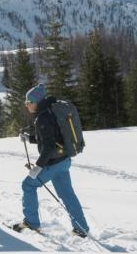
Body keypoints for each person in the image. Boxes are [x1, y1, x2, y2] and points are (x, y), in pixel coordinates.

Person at [14, 83, 89, 237]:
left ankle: (31, 223)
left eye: (29, 102)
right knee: (67, 195)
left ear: (36, 101)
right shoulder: (50, 111)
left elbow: (48, 146)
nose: (27, 105)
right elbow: (49, 138)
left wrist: (38, 167)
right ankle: (81, 228)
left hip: (53, 163)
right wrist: (29, 138)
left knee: (28, 185)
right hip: (64, 160)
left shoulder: (42, 117)